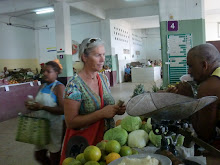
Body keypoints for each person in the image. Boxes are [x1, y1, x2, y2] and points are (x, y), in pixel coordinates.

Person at [60, 38, 126, 163]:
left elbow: (106, 107)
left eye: (103, 54)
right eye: (97, 55)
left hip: (107, 143)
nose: (103, 59)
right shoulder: (74, 85)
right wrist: (101, 113)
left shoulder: (103, 79)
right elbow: (71, 122)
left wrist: (117, 110)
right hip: (85, 146)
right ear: (84, 57)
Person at [168, 43, 220, 149]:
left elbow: (204, 135)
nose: (189, 71)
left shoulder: (208, 87)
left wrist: (190, 99)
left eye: (191, 66)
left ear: (204, 65)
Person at [25, 60, 65, 165]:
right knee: (39, 155)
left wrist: (42, 107)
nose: (45, 74)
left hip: (55, 126)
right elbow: (38, 105)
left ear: (56, 73)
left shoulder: (59, 88)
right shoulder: (42, 86)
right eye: (44, 71)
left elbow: (63, 110)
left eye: (48, 71)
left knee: (54, 156)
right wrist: (32, 106)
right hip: (41, 126)